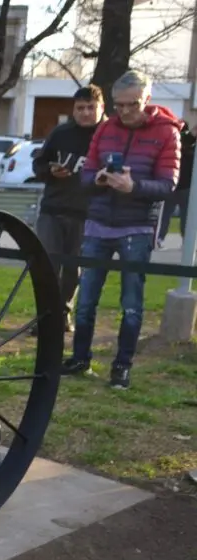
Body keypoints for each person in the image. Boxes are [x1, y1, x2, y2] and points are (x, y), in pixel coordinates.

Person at [64, 69, 182, 390]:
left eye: (132, 104)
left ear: (147, 99)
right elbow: (86, 175)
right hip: (98, 223)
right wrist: (99, 178)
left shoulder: (167, 132)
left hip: (137, 228)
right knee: (86, 301)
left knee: (131, 304)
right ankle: (80, 358)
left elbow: (168, 184)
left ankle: (122, 366)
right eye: (119, 105)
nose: (125, 111)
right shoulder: (105, 129)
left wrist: (134, 187)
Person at [32, 85, 105, 333]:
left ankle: (63, 314)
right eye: (80, 108)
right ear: (73, 110)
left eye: (91, 107)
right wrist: (49, 171)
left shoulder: (109, 134)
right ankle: (44, 316)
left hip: (88, 213)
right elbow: (38, 164)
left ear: (101, 107)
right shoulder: (61, 133)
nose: (85, 113)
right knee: (47, 266)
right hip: (53, 209)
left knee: (73, 270)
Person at [157, 121, 194, 247]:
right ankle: (183, 239)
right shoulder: (188, 150)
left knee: (169, 215)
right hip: (182, 187)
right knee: (182, 215)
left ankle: (161, 237)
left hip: (176, 185)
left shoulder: (175, 147)